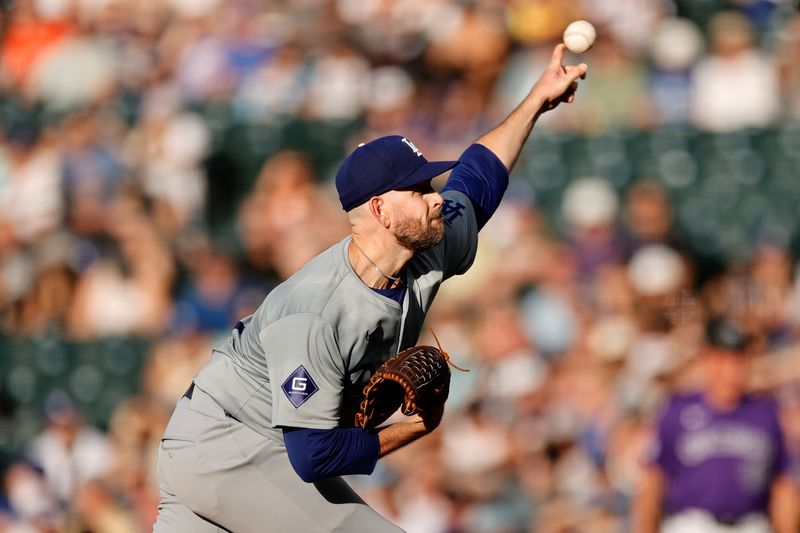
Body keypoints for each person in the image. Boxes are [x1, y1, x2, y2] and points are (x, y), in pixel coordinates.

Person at [152, 44, 588, 533]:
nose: (434, 199)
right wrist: (415, 428)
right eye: (418, 190)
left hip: (240, 448)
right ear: (380, 211)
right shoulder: (315, 311)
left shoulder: (427, 245)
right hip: (229, 444)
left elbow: (478, 179)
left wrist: (535, 101)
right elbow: (313, 457)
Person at [633, 318, 799, 533]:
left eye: (738, 361)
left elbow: (783, 486)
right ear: (707, 360)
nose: (731, 371)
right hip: (692, 525)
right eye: (723, 360)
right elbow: (653, 481)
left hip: (750, 525)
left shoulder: (765, 413)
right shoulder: (678, 411)